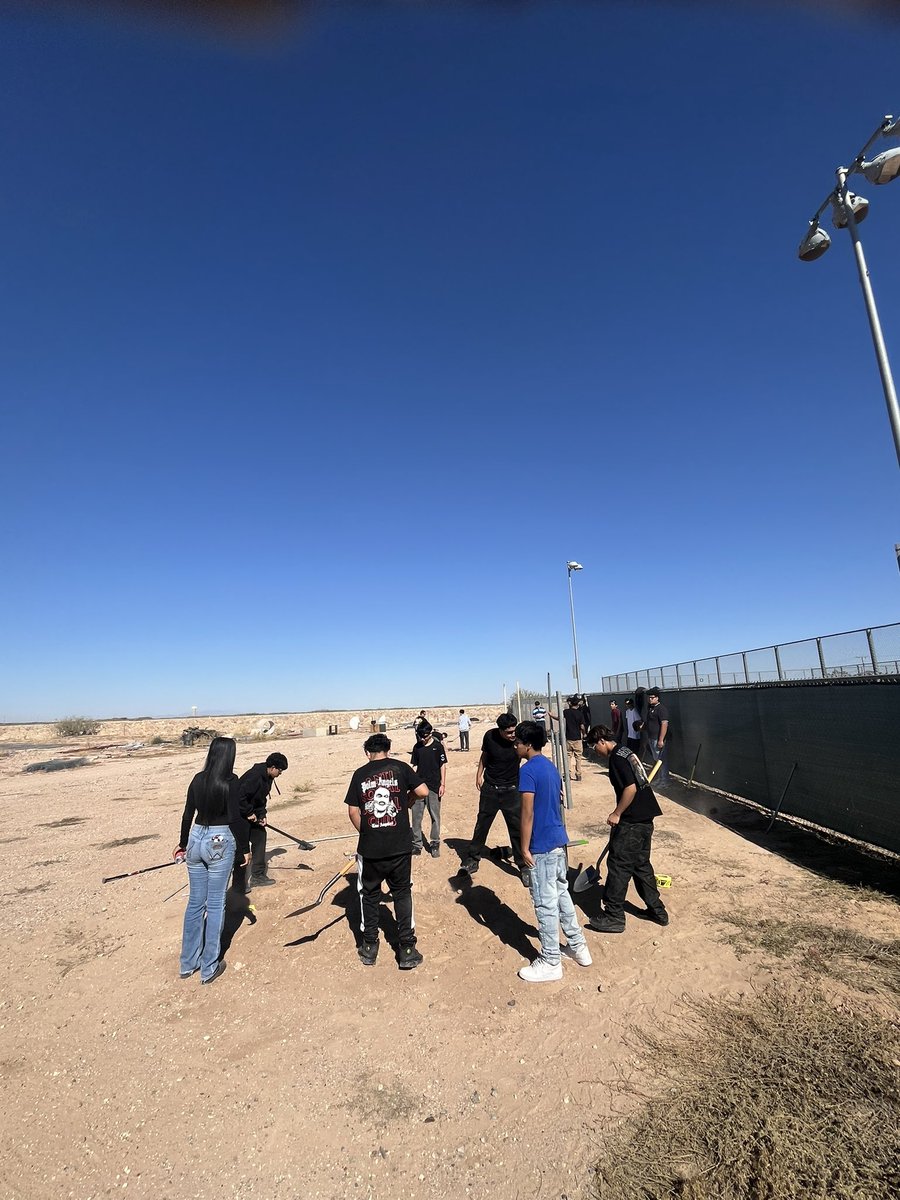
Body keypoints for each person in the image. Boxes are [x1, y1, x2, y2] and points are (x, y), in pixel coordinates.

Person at [514, 720, 592, 982]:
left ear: (528, 745)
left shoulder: (528, 771)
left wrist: (524, 847)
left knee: (545, 904)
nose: (515, 746)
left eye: (518, 742)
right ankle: (579, 947)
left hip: (542, 845)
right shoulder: (550, 767)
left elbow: (527, 813)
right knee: (562, 895)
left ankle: (550, 960)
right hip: (558, 842)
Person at [344, 733, 430, 969]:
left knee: (369, 895)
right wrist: (408, 798)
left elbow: (353, 812)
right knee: (402, 893)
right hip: (399, 845)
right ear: (388, 750)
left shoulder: (360, 774)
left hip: (371, 848)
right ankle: (407, 949)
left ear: (367, 753)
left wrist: (369, 831)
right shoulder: (401, 768)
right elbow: (423, 791)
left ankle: (370, 946)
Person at [174, 736, 250, 985]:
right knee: (215, 904)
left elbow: (188, 813)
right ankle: (209, 966)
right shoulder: (231, 781)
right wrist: (243, 850)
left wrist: (183, 844)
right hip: (219, 839)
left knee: (195, 902)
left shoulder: (198, 778)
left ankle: (187, 963)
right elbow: (235, 818)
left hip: (197, 837)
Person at [584, 726, 668, 933]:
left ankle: (614, 916)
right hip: (645, 818)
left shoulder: (617, 759)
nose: (595, 750)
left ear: (602, 741)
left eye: (595, 746)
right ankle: (657, 911)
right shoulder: (626, 751)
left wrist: (617, 813)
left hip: (632, 821)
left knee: (619, 865)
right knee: (640, 865)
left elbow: (630, 788)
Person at [461, 712, 528, 884]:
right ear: (500, 730)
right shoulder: (489, 736)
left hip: (512, 790)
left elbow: (532, 758)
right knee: (482, 824)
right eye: (509, 732)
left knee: (516, 828)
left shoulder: (519, 740)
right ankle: (473, 858)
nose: (513, 735)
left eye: (514, 731)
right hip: (490, 789)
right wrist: (478, 774)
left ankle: (523, 865)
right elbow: (485, 756)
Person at [231, 751, 288, 892]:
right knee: (242, 849)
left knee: (260, 837)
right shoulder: (254, 776)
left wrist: (262, 815)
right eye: (280, 771)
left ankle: (257, 876)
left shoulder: (268, 777)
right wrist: (249, 812)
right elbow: (239, 796)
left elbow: (261, 799)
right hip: (238, 814)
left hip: (251, 813)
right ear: (273, 767)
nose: (280, 773)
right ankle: (239, 885)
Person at [409, 722, 446, 856]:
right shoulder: (417, 747)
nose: (422, 739)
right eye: (420, 736)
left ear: (430, 734)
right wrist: (410, 785)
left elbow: (442, 766)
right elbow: (414, 766)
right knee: (416, 817)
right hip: (418, 787)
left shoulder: (438, 747)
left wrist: (443, 784)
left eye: (424, 736)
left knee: (435, 816)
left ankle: (435, 843)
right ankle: (417, 844)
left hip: (434, 786)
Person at [550, 696, 586, 781]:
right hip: (577, 738)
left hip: (568, 738)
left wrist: (551, 716)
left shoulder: (566, 712)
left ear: (570, 703)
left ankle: (567, 774)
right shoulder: (580, 713)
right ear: (577, 704)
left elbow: (559, 718)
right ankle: (578, 774)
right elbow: (582, 726)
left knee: (568, 757)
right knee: (578, 757)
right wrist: (584, 734)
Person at [644, 688, 670, 786]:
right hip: (651, 738)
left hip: (657, 739)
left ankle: (665, 781)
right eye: (649, 698)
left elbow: (664, 724)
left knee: (661, 760)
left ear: (657, 698)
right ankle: (660, 779)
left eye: (652, 697)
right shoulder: (651, 708)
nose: (650, 699)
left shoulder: (661, 709)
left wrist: (661, 739)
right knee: (657, 760)